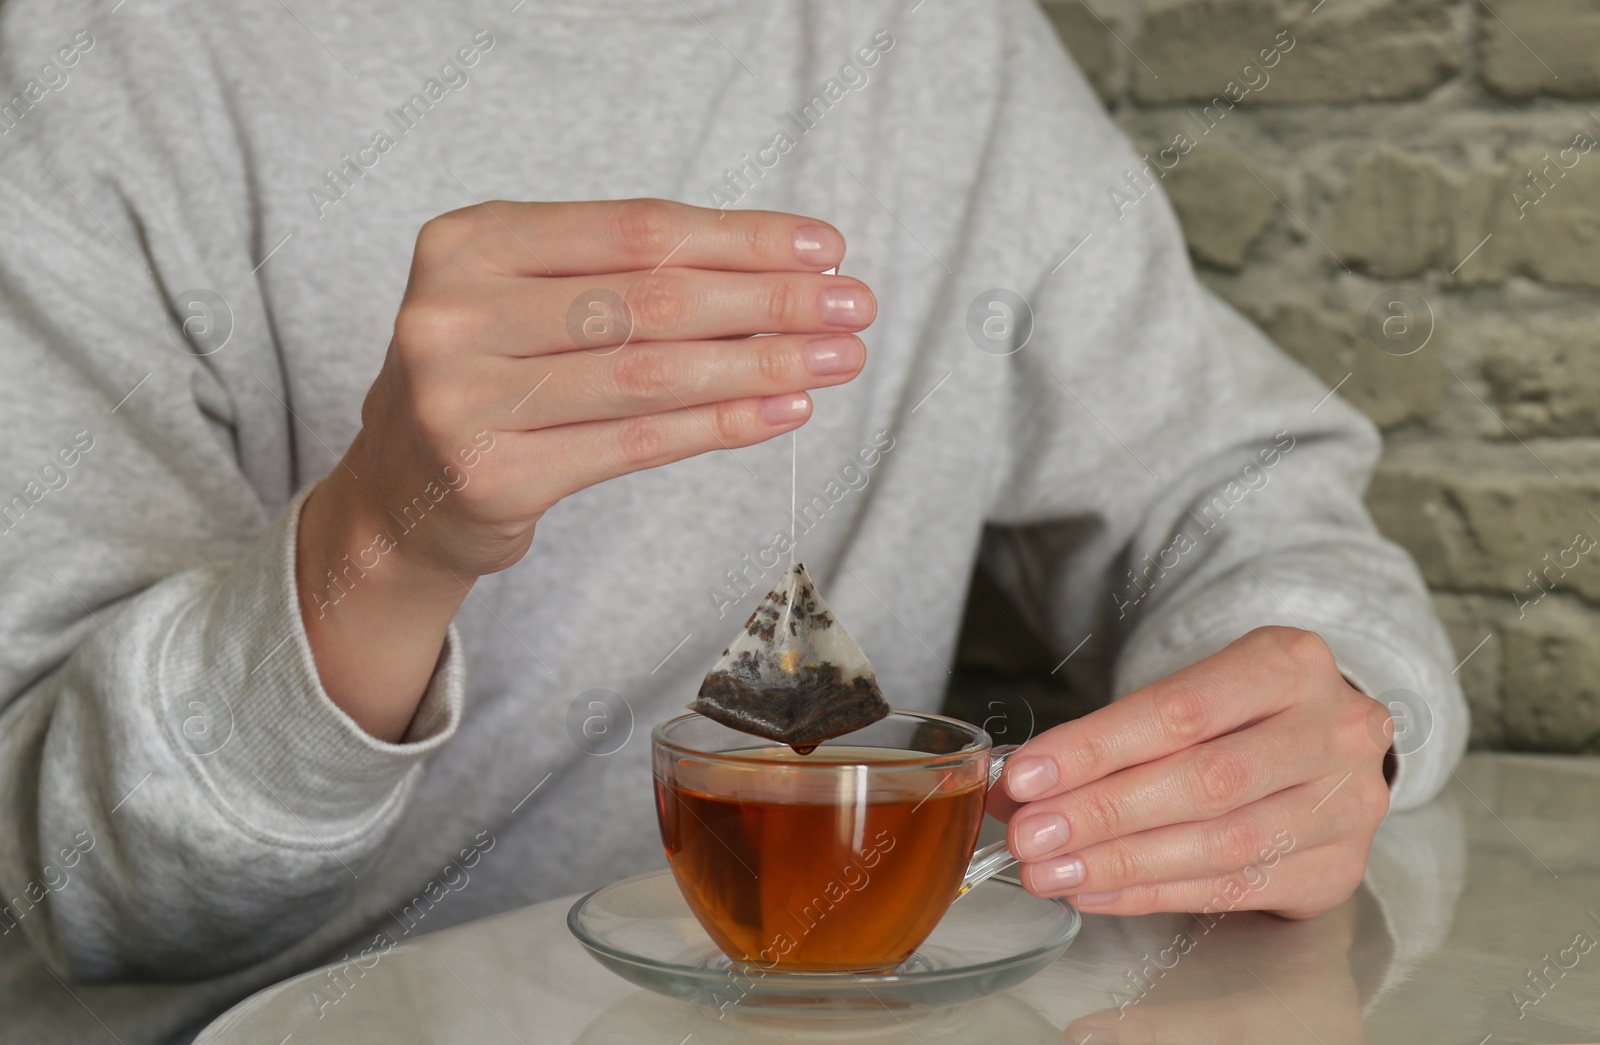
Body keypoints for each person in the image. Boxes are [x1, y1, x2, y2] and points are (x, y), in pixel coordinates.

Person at [0, 0, 1464, 1026]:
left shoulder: (948, 43)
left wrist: (1317, 713)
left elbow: (1240, 488)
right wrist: (382, 538)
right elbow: (81, 893)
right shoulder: (110, 51)